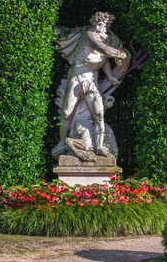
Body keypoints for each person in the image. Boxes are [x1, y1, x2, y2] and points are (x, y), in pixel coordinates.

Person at [52, 12, 130, 158]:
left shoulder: (105, 40)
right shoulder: (90, 35)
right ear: (94, 24)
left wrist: (111, 76)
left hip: (91, 82)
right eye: (100, 25)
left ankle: (99, 146)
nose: (102, 28)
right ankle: (62, 142)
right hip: (77, 78)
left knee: (99, 115)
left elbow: (104, 59)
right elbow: (104, 50)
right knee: (66, 113)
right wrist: (121, 54)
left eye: (105, 25)